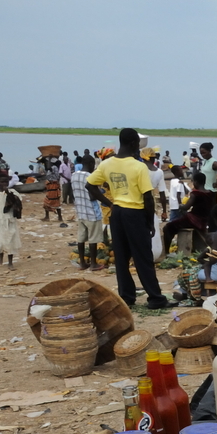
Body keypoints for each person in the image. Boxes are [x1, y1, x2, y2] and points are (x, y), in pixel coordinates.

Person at [86, 129, 168, 308]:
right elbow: (147, 197)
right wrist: (149, 221)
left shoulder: (107, 164)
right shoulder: (138, 166)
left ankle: (127, 297)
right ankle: (155, 298)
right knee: (143, 257)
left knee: (121, 258)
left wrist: (110, 203)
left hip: (117, 214)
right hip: (135, 213)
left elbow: (90, 185)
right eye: (137, 145)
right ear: (133, 144)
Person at [163, 172, 217, 255]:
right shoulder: (210, 193)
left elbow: (186, 207)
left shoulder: (195, 194)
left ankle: (166, 252)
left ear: (196, 182)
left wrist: (181, 206)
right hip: (204, 220)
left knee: (168, 227)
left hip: (193, 220)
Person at [72, 156, 104, 270]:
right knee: (93, 239)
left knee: (81, 238)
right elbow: (92, 195)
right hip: (91, 212)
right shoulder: (90, 177)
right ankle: (93, 264)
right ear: (91, 164)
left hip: (80, 211)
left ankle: (82, 263)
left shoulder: (74, 175)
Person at [0, 171, 23, 268]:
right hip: (0, 221)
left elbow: (19, 203)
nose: (4, 184)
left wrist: (9, 193)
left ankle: (10, 262)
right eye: (2, 182)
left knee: (10, 240)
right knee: (1, 240)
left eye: (6, 182)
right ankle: (0, 257)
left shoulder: (13, 192)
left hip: (10, 220)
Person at [142, 149, 169, 220]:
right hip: (151, 200)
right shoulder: (159, 172)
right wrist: (164, 212)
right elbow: (162, 193)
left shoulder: (139, 169)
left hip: (139, 200)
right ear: (154, 158)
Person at [41, 155, 63, 222]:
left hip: (53, 186)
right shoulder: (52, 168)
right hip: (51, 187)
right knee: (49, 202)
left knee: (53, 201)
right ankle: (50, 217)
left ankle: (59, 217)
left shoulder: (53, 168)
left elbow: (54, 176)